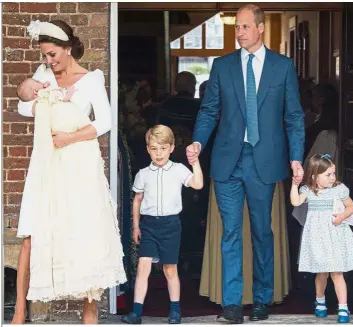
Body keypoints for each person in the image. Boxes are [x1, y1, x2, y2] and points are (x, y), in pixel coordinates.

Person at [186, 4, 305, 323]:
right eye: (237, 27)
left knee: (262, 232)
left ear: (261, 28)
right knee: (231, 234)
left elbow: (293, 116)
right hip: (227, 161)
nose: (239, 32)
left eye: (244, 27)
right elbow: (209, 111)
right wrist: (198, 141)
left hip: (264, 161)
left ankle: (263, 299)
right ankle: (233, 305)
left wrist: (296, 157)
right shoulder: (222, 66)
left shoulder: (282, 67)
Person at [14, 19, 127, 324]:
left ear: (67, 48)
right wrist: (44, 103)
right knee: (32, 234)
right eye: (45, 56)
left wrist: (68, 137)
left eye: (52, 54)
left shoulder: (90, 79)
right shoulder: (44, 75)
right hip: (47, 162)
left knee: (86, 232)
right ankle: (20, 312)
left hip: (78, 162)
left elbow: (104, 122)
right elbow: (23, 105)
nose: (48, 61)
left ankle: (89, 310)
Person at [121, 125, 204, 325]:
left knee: (170, 269)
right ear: (148, 149)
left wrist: (195, 162)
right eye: (154, 149)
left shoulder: (178, 170)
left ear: (171, 148)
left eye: (163, 148)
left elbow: (198, 184)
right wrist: (136, 227)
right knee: (143, 268)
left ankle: (175, 310)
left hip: (170, 225)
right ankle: (136, 312)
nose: (158, 154)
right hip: (149, 225)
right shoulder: (143, 174)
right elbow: (137, 200)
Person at [290, 154, 353, 323]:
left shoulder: (339, 189)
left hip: (335, 234)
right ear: (315, 176)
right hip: (318, 236)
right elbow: (295, 202)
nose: (333, 177)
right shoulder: (308, 191)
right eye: (328, 175)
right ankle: (320, 300)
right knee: (322, 271)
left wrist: (341, 216)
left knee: (337, 272)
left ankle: (343, 307)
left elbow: (351, 206)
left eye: (333, 173)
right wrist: (295, 185)